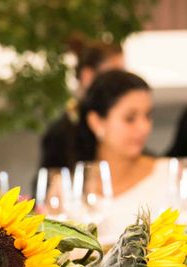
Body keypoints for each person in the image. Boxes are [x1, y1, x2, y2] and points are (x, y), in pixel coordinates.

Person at [77, 69, 171, 240]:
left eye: (148, 115)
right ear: (96, 122)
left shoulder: (169, 175)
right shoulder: (71, 186)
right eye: (130, 118)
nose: (144, 127)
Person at [40, 40, 124, 170]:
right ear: (87, 76)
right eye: (115, 75)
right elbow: (47, 181)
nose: (122, 83)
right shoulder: (63, 132)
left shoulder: (118, 122)